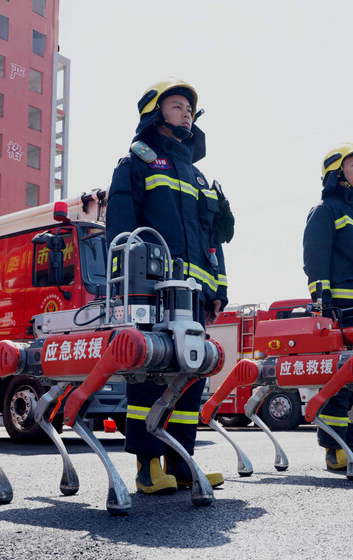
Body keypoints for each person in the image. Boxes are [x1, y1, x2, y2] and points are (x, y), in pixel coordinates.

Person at [106, 78, 231, 494]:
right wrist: (131, 288)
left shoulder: (198, 177)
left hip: (194, 295)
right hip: (153, 292)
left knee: (191, 375)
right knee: (151, 375)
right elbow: (121, 232)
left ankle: (181, 464)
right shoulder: (136, 164)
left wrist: (218, 292)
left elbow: (211, 238)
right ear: (155, 114)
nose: (186, 113)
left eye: (189, 108)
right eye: (177, 106)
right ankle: (146, 467)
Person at [302, 143, 353, 471]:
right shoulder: (326, 211)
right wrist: (322, 305)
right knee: (339, 383)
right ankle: (334, 451)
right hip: (341, 312)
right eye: (352, 165)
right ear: (337, 173)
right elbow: (315, 259)